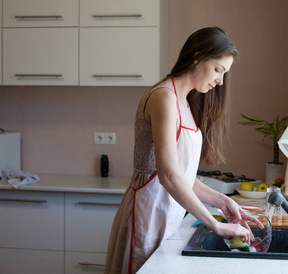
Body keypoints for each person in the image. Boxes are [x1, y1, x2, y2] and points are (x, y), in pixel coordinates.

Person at [104, 27, 263, 274]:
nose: (220, 81)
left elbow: (182, 175)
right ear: (197, 57)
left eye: (224, 73)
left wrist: (223, 202)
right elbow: (167, 175)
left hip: (168, 213)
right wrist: (215, 225)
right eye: (218, 70)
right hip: (148, 214)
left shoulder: (184, 102)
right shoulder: (163, 98)